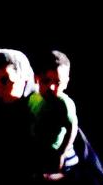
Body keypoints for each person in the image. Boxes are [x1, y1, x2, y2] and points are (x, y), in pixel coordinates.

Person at [27, 50, 79, 178]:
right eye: (46, 81)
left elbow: (72, 128)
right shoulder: (33, 98)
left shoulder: (64, 104)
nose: (51, 87)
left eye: (58, 83)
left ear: (66, 82)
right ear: (36, 78)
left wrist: (62, 153)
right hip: (41, 150)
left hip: (59, 153)